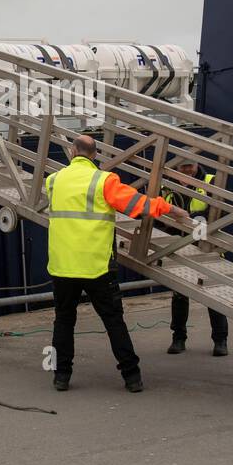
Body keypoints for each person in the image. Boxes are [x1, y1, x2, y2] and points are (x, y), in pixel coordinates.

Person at [46, 134, 190, 393]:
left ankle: (61, 376)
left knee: (64, 321)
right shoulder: (103, 181)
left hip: (63, 266)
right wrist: (172, 210)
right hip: (96, 266)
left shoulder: (53, 181)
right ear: (94, 154)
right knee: (113, 321)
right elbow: (139, 204)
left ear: (71, 152)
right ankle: (131, 376)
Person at [161, 160, 229, 356]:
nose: (187, 170)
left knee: (214, 297)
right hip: (179, 247)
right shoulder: (167, 186)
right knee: (179, 295)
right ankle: (178, 339)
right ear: (177, 168)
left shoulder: (211, 181)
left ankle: (220, 340)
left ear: (197, 165)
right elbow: (162, 215)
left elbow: (221, 210)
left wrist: (194, 217)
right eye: (183, 167)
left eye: (190, 166)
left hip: (207, 248)